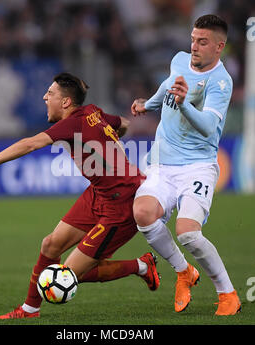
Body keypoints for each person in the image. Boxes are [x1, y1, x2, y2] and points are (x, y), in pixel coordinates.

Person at [0, 72, 160, 319]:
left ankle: (141, 265)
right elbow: (124, 123)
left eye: (50, 93)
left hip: (122, 203)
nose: (45, 97)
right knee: (50, 245)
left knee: (67, 274)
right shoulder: (93, 111)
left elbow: (31, 143)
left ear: (65, 102)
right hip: (98, 193)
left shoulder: (72, 122)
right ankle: (30, 310)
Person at [131, 14, 241, 316]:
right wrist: (148, 104)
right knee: (142, 213)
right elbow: (168, 86)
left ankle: (228, 293)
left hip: (197, 166)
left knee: (188, 233)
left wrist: (183, 105)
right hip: (162, 163)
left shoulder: (220, 82)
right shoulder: (179, 60)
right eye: (193, 39)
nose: (194, 46)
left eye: (202, 42)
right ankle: (184, 272)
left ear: (219, 47)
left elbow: (207, 126)